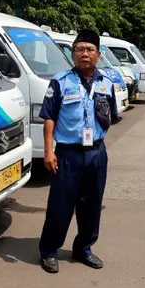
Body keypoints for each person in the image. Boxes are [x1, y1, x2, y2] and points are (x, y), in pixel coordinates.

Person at [37, 29, 119, 273]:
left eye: (90, 50)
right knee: (60, 206)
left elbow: (111, 117)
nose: (85, 54)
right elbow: (49, 117)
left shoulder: (106, 83)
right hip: (67, 155)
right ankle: (49, 251)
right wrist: (49, 151)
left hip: (96, 154)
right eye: (80, 50)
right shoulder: (60, 81)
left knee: (92, 205)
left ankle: (83, 248)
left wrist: (97, 143)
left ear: (98, 54)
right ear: (72, 54)